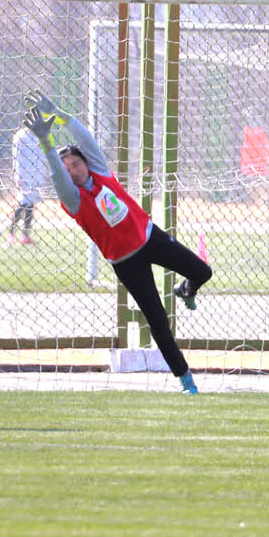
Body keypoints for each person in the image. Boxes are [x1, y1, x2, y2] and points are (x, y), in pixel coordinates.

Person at [23, 91, 210, 393]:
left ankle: (185, 289)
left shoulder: (99, 170)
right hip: (125, 262)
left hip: (150, 237)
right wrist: (47, 143)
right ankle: (186, 380)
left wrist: (58, 114)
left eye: (74, 163)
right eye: (66, 167)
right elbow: (57, 177)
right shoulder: (72, 199)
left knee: (202, 272)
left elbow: (84, 137)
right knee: (158, 321)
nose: (71, 170)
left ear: (85, 162)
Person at [7, 120, 48, 244]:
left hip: (37, 175)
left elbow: (42, 156)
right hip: (24, 175)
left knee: (30, 205)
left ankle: (25, 235)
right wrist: (18, 175)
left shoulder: (39, 136)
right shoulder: (21, 136)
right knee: (23, 204)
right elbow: (16, 157)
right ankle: (11, 233)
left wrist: (43, 175)